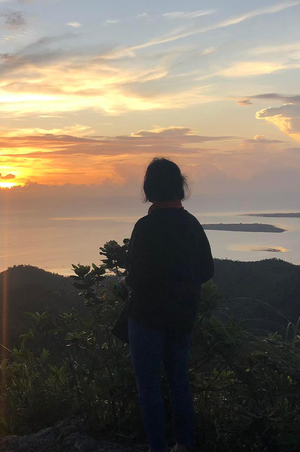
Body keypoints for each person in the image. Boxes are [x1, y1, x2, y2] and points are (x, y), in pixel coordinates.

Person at [121, 158, 214, 452]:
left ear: (149, 189)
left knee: (148, 385)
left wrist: (124, 284)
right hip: (183, 315)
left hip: (147, 317)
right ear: (179, 187)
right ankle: (184, 444)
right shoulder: (191, 224)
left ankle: (157, 447)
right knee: (178, 379)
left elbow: (135, 278)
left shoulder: (146, 226)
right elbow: (207, 271)